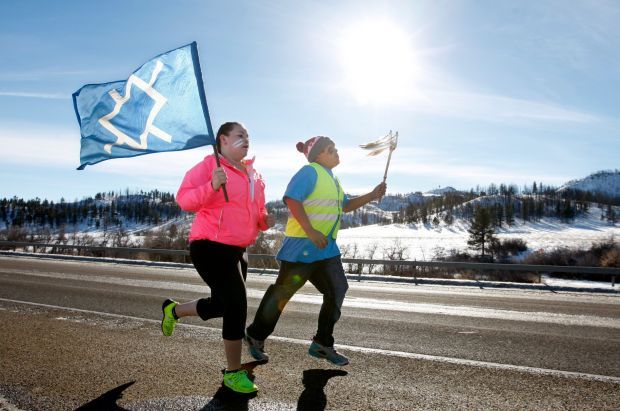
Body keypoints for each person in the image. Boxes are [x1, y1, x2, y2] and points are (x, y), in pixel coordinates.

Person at [245, 136, 386, 366]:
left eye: (336, 147)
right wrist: (310, 231)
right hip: (302, 246)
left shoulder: (333, 178)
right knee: (282, 294)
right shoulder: (309, 171)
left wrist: (372, 194)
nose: (336, 151)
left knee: (337, 288)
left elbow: (345, 205)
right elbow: (291, 199)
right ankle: (255, 335)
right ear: (319, 155)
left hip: (326, 248)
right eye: (332, 149)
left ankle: (322, 343)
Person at [160, 122, 274, 394]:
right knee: (236, 304)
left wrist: (263, 220)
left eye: (247, 135)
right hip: (209, 245)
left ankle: (173, 310)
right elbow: (184, 200)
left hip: (238, 249)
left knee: (222, 306)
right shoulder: (209, 165)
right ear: (223, 139)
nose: (246, 139)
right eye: (239, 135)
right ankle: (232, 374)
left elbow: (256, 210)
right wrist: (211, 185)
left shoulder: (254, 175)